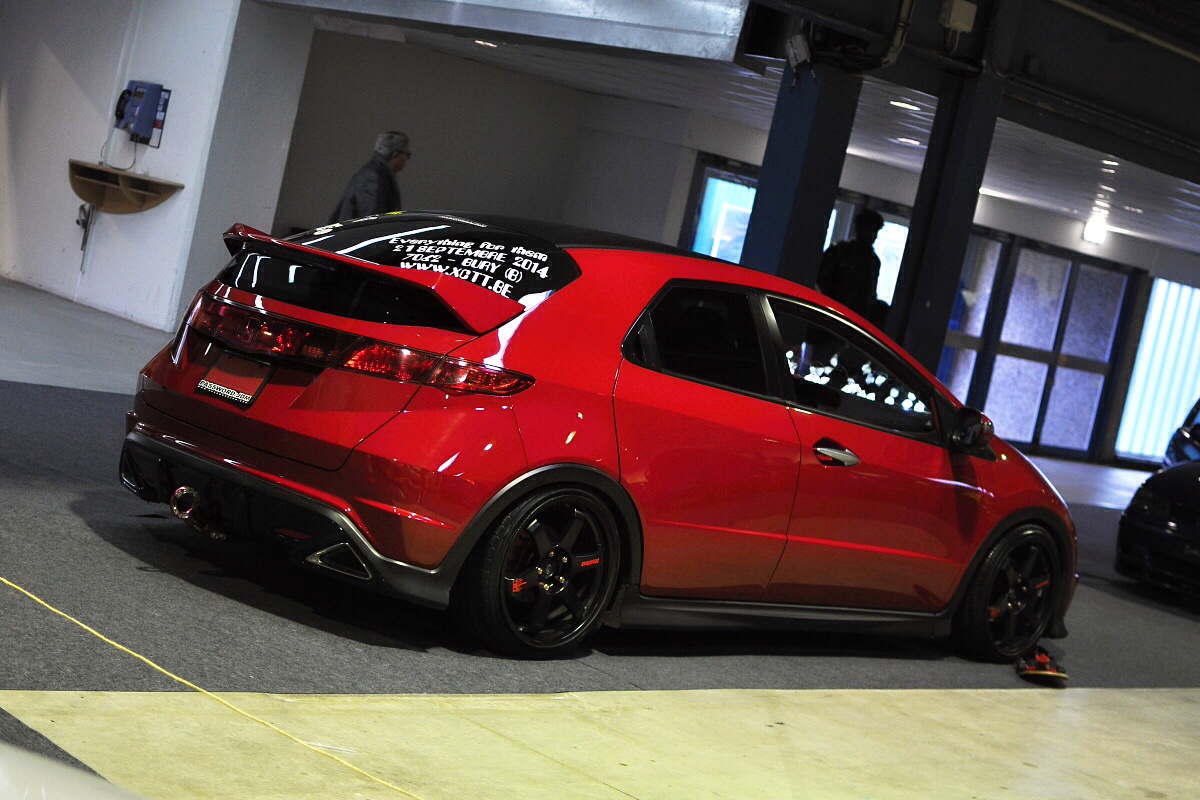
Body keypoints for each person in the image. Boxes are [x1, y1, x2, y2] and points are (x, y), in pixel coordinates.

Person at [817, 209, 887, 324]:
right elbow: (820, 283)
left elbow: (870, 294)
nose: (872, 235)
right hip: (831, 316)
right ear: (859, 228)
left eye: (875, 231)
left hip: (854, 321)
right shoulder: (839, 252)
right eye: (868, 229)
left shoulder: (873, 261)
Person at [328, 131, 411, 223]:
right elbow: (372, 222)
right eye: (407, 155)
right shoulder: (374, 178)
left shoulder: (375, 174)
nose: (407, 159)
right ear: (395, 155)